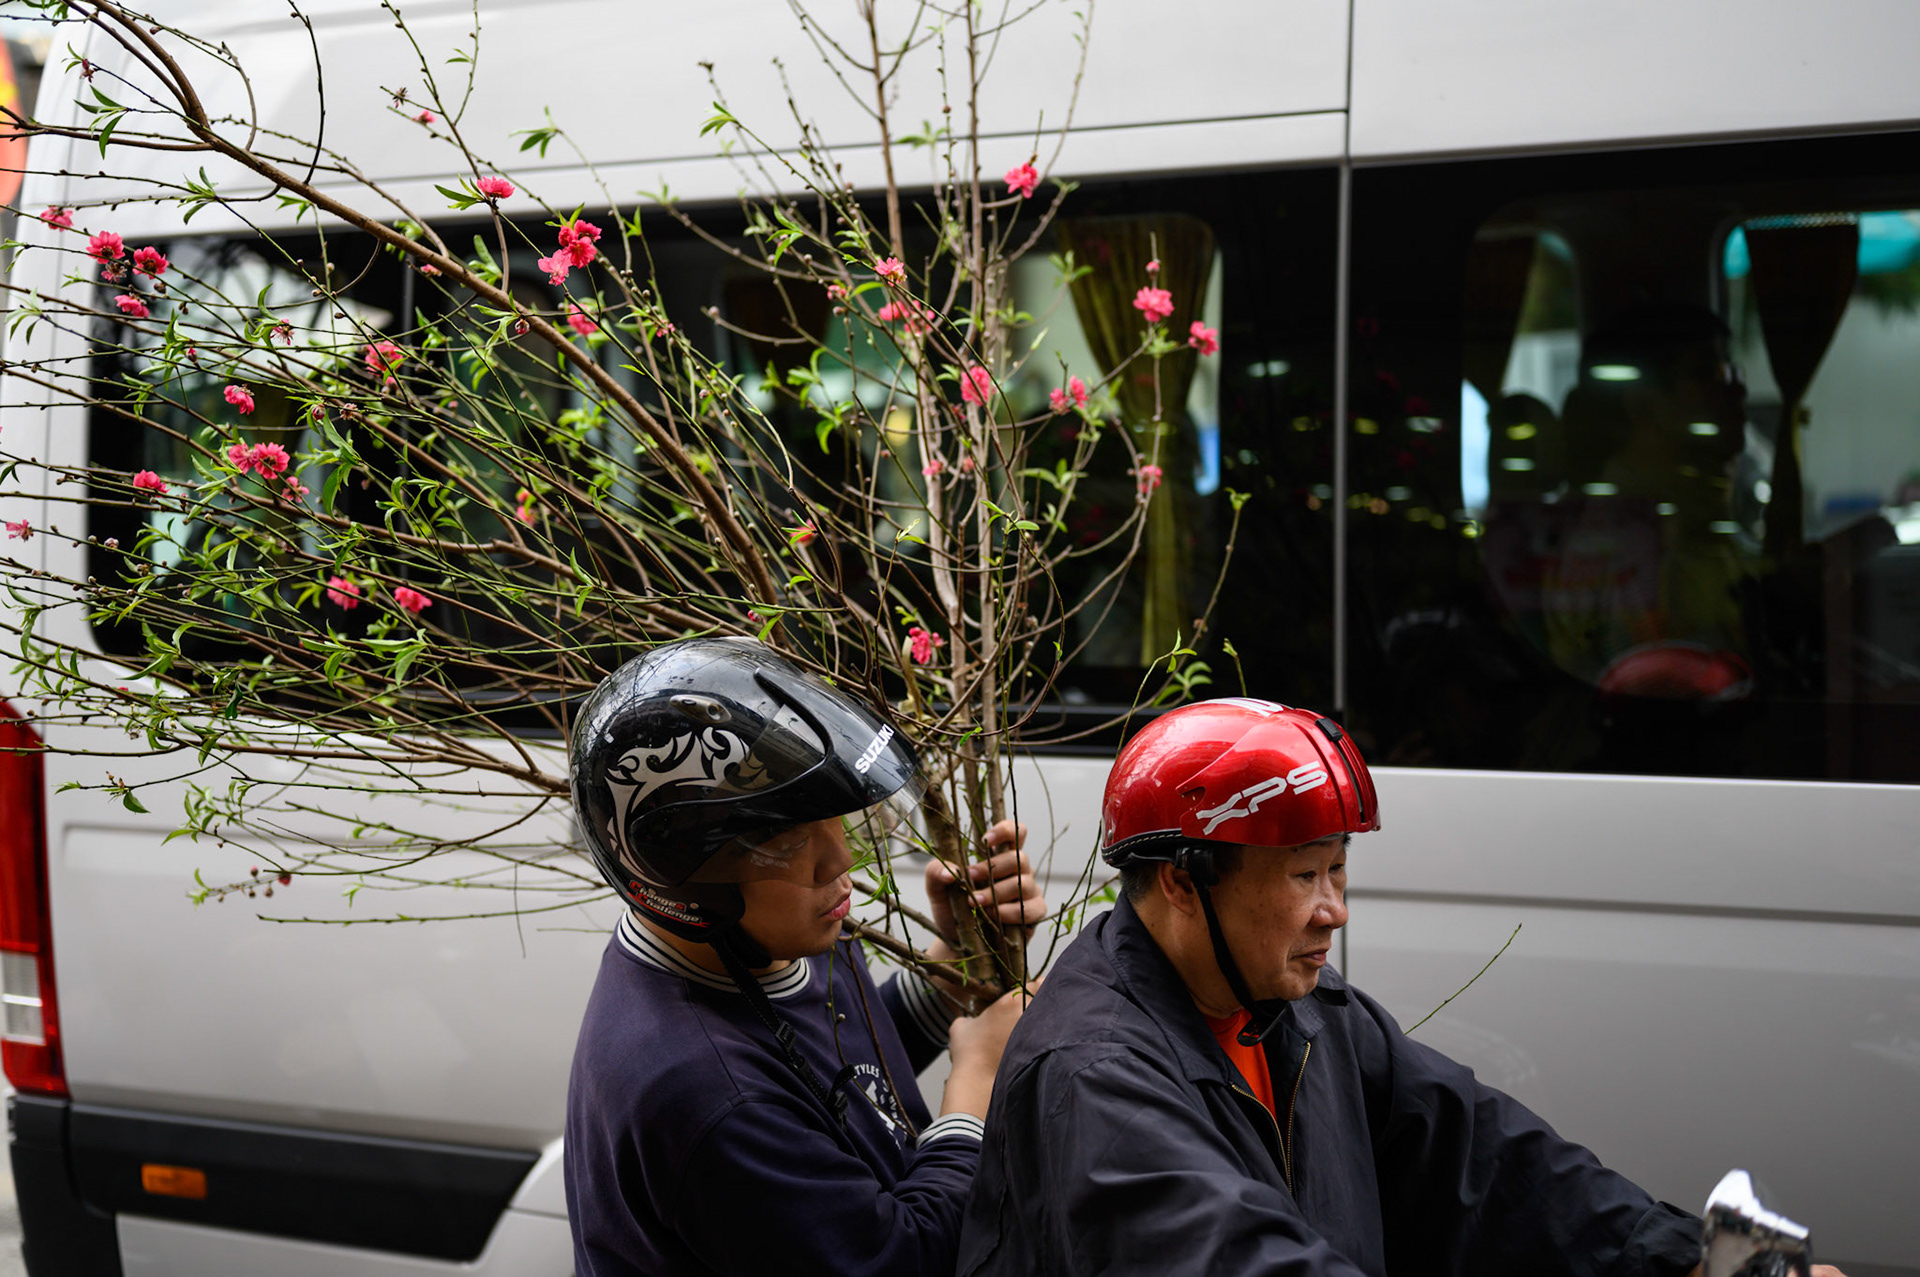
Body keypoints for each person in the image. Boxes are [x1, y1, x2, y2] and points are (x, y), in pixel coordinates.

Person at [956, 697, 1846, 1277]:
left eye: (1340, 872)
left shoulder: (1298, 1012)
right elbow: (1228, 1255)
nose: (1333, 911)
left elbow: (1488, 1161)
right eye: (1305, 875)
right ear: (1186, 881)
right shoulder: (1096, 1071)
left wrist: (1697, 1260)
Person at [564, 637, 1045, 1277]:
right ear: (682, 872)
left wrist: (953, 964)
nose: (839, 860)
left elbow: (834, 1071)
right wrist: (976, 1092)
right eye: (788, 839)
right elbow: (897, 1260)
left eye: (834, 819)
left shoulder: (756, 942)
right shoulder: (704, 1092)